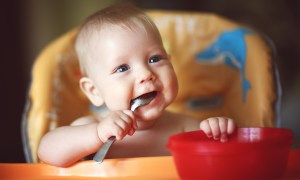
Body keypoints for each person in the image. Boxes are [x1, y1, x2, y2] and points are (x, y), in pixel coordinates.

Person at [38, 4, 236, 167]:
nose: (146, 74)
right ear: (94, 90)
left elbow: (225, 164)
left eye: (155, 59)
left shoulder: (186, 127)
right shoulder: (92, 128)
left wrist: (219, 133)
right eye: (122, 68)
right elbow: (46, 151)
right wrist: (97, 134)